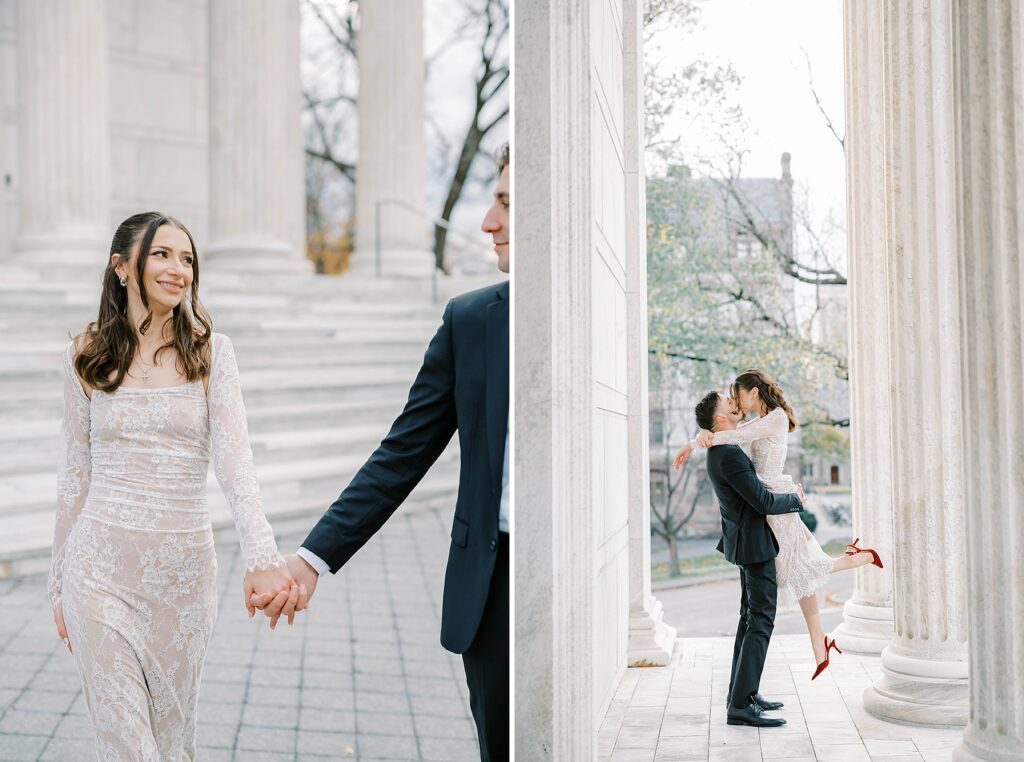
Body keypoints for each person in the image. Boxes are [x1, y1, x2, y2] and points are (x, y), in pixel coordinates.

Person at [255, 144, 511, 761]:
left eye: (505, 202)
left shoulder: (600, 320)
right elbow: (401, 455)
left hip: (577, 581)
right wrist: (312, 559)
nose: (487, 222)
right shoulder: (470, 322)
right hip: (493, 586)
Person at [48, 212, 301, 759]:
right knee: (129, 747)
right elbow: (75, 475)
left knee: (171, 740)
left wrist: (262, 553)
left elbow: (236, 464)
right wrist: (57, 581)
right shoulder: (84, 356)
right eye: (162, 254)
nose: (178, 269)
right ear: (122, 267)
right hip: (98, 574)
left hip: (183, 582)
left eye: (187, 258)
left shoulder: (212, 352)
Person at [675, 370, 882, 680]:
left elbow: (736, 435)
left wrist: (696, 441)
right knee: (799, 570)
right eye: (731, 397)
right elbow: (735, 433)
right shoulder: (757, 421)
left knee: (798, 570)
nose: (736, 400)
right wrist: (700, 436)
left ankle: (861, 557)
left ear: (754, 392)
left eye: (738, 394)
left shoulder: (775, 418)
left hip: (776, 498)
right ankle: (819, 643)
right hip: (769, 497)